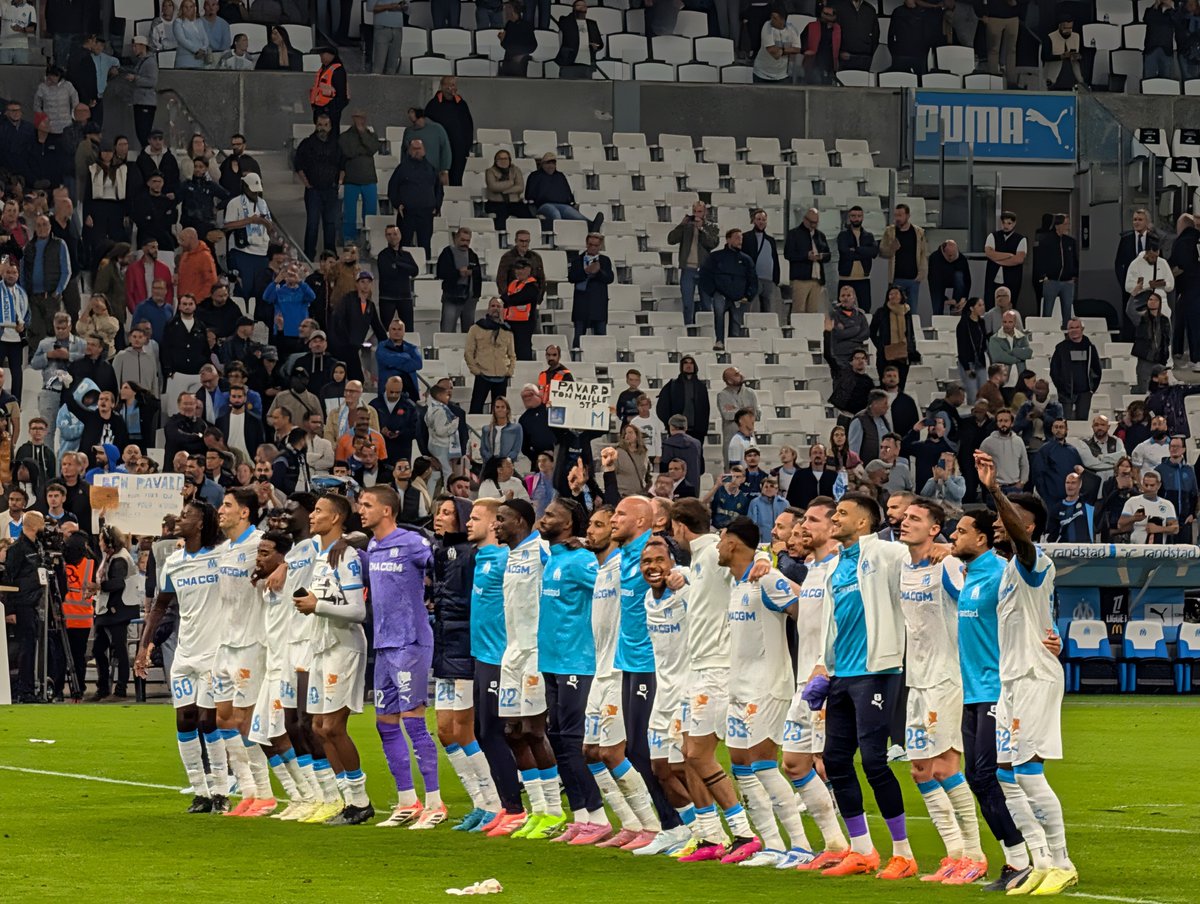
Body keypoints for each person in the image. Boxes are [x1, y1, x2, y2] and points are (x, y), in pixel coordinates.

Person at [975, 455, 1078, 895]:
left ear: (1027, 526)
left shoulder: (1036, 562)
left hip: (1036, 676)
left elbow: (1022, 544)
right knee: (1003, 774)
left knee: (1028, 773)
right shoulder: (1006, 573)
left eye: (1006, 519)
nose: (998, 523)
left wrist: (997, 491)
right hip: (1011, 680)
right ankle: (1037, 861)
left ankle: (1062, 861)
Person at [894, 499, 988, 882]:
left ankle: (975, 855)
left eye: (915, 519)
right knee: (920, 770)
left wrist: (955, 556)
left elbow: (976, 602)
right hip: (915, 680)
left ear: (935, 528)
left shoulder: (946, 565)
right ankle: (953, 854)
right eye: (903, 517)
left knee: (945, 765)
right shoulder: (901, 566)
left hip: (948, 677)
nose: (904, 522)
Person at [356, 486, 442, 827]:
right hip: (384, 643)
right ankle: (407, 800)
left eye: (367, 504)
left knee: (414, 721)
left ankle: (435, 802)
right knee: (385, 723)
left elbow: (440, 567)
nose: (360, 510)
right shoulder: (373, 546)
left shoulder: (412, 542)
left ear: (387, 511)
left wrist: (437, 597)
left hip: (411, 641)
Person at [133, 501, 226, 810]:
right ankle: (200, 791)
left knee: (207, 721)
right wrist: (144, 646)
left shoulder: (220, 556)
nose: (179, 518)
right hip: (186, 651)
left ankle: (221, 790)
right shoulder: (173, 561)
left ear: (201, 524)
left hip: (215, 652)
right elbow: (161, 606)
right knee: (184, 720)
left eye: (187, 515)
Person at [294, 113, 344, 261]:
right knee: (312, 224)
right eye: (320, 125)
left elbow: (342, 165)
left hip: (331, 190)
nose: (322, 128)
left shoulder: (336, 144)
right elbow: (298, 165)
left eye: (325, 125)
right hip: (313, 190)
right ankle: (308, 256)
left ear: (330, 126)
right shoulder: (307, 144)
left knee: (330, 224)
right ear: (316, 125)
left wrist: (339, 182)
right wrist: (306, 183)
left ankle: (330, 256)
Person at [700, 228, 757, 352]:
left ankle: (734, 345)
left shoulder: (746, 259)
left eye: (741, 238)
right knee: (719, 316)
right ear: (728, 239)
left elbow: (753, 279)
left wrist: (748, 295)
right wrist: (713, 291)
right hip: (720, 294)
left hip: (739, 296)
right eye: (737, 237)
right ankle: (719, 340)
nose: (740, 240)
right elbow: (705, 275)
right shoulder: (715, 256)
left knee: (736, 322)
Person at [387, 139, 442, 256]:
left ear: (424, 150)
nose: (417, 151)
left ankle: (425, 270)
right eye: (414, 149)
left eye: (419, 149)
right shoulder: (402, 169)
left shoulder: (431, 169)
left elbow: (439, 190)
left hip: (426, 213)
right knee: (404, 243)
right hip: (406, 213)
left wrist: (436, 206)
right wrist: (397, 204)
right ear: (409, 151)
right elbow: (392, 188)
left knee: (425, 244)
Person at [525, 152, 601, 231]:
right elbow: (529, 195)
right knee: (555, 213)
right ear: (543, 164)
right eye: (548, 163)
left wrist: (572, 203)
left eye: (553, 163)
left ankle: (592, 226)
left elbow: (567, 193)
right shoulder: (535, 176)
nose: (551, 166)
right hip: (543, 205)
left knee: (575, 215)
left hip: (562, 205)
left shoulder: (560, 176)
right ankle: (560, 235)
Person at [465, 297, 517, 414]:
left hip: (501, 376)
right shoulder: (476, 328)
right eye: (493, 306)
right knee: (476, 409)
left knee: (499, 412)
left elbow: (512, 355)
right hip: (483, 374)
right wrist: (476, 370)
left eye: (498, 306)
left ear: (503, 309)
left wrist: (510, 371)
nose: (496, 309)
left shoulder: (507, 330)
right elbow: (468, 352)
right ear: (488, 309)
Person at [879, 204, 927, 323]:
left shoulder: (918, 232)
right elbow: (882, 251)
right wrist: (892, 248)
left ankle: (911, 338)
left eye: (900, 215)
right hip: (896, 279)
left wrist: (921, 274)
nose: (898, 218)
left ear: (908, 215)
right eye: (896, 215)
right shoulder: (890, 232)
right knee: (893, 311)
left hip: (913, 279)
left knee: (912, 312)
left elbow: (923, 254)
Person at [425, 76, 474, 188]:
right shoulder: (433, 105)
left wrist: (467, 146)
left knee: (456, 181)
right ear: (443, 86)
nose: (453, 88)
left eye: (454, 85)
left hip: (459, 151)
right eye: (450, 85)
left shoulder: (461, 104)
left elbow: (468, 126)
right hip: (439, 152)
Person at [1049, 320, 1102, 420]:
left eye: (1076, 327)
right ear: (1067, 330)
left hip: (1085, 393)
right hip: (1066, 394)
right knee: (1066, 422)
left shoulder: (1090, 347)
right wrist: (1061, 388)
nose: (1074, 330)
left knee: (1082, 421)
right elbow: (1054, 371)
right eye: (1071, 328)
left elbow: (1097, 369)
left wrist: (1092, 389)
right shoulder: (1061, 348)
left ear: (1082, 329)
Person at [785, 208, 830, 317]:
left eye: (816, 222)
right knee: (798, 311)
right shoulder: (794, 234)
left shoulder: (820, 235)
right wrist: (806, 256)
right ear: (805, 219)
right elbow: (788, 254)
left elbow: (828, 255)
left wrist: (820, 256)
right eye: (811, 222)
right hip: (801, 279)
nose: (814, 225)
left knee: (813, 312)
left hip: (817, 280)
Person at [656, 357, 710, 445]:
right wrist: (670, 424)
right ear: (681, 366)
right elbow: (662, 407)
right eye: (685, 363)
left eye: (691, 363)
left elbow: (706, 409)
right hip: (677, 429)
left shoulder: (701, 387)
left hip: (697, 430)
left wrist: (703, 429)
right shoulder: (672, 385)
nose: (688, 365)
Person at [555, 0, 605, 77]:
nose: (582, 8)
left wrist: (596, 47)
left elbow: (600, 43)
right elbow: (563, 25)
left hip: (587, 62)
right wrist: (574, 13)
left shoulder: (592, 24)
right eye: (579, 6)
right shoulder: (566, 21)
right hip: (568, 61)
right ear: (574, 8)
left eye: (584, 6)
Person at [754, 5, 803, 82]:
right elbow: (773, 52)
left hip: (782, 75)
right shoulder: (767, 26)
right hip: (762, 74)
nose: (772, 20)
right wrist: (788, 50)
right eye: (772, 17)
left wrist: (782, 51)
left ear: (782, 20)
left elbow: (797, 49)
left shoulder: (792, 29)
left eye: (775, 18)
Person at [309, 46, 348, 134]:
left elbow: (341, 96)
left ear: (331, 55)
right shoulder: (323, 69)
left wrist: (331, 109)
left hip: (330, 111)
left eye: (323, 54)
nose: (321, 57)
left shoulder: (338, 71)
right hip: (319, 109)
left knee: (331, 135)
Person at [366, 0, 405, 74]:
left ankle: (390, 85)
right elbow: (370, 7)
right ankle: (375, 85)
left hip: (398, 28)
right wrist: (390, 6)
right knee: (378, 67)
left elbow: (408, 8)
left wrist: (404, 6)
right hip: (382, 28)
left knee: (392, 68)